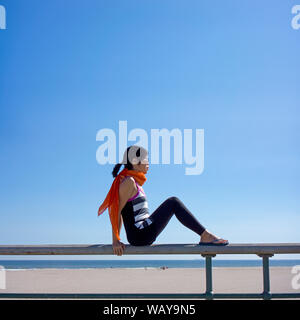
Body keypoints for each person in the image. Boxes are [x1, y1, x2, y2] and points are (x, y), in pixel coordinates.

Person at [98, 145, 229, 256]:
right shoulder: (129, 182)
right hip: (139, 234)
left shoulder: (135, 183)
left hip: (142, 232)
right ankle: (205, 235)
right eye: (146, 159)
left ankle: (205, 235)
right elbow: (116, 210)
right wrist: (115, 240)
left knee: (173, 202)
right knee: (173, 202)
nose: (148, 163)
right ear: (135, 162)